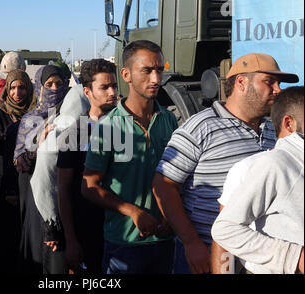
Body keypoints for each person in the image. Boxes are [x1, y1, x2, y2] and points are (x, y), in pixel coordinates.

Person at [153, 53, 299, 274]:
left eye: (279, 83)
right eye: (269, 82)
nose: (278, 90)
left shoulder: (272, 130)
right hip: (205, 254)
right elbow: (164, 185)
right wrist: (191, 243)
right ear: (242, 82)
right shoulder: (200, 127)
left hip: (254, 258)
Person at [81, 40, 178, 274]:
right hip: (124, 243)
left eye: (159, 70)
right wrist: (133, 212)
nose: (156, 79)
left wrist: (169, 215)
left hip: (165, 241)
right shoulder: (109, 127)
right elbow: (89, 187)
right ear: (126, 74)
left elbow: (176, 177)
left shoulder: (169, 120)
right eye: (147, 71)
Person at [211, 86, 304, 274]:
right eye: (269, 81)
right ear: (289, 123)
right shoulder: (257, 166)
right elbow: (225, 234)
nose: (276, 89)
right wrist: (296, 257)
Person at [57, 59, 117, 273]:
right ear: (87, 91)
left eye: (114, 86)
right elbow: (63, 190)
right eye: (104, 87)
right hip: (87, 230)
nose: (112, 92)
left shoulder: (126, 129)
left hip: (121, 231)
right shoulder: (74, 134)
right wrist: (70, 239)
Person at [14, 64, 68, 274]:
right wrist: (39, 142)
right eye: (49, 84)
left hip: (64, 196)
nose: (54, 88)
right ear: (40, 87)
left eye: (59, 83)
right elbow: (20, 164)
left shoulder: (72, 115)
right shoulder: (30, 120)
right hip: (38, 200)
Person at [0, 70, 33, 272]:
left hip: (26, 176)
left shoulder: (34, 111)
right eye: (12, 88)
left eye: (21, 87)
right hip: (2, 176)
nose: (17, 92)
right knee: (5, 228)